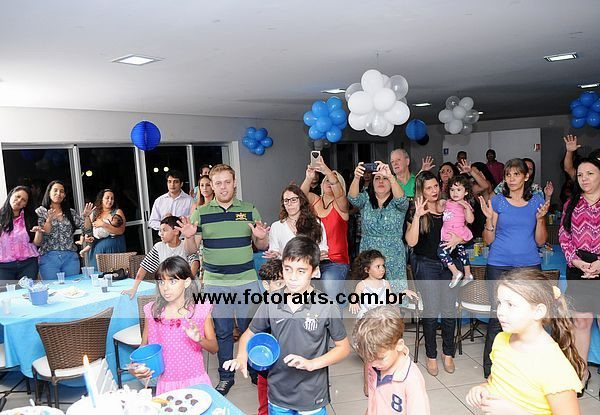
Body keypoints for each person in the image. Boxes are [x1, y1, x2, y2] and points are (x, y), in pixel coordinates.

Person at [223, 236, 350, 415]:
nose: (292, 278)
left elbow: (343, 348)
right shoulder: (271, 301)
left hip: (311, 395)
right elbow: (249, 334)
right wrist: (241, 356)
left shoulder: (327, 306)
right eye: (287, 269)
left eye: (301, 271)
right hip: (278, 393)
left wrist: (313, 364)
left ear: (314, 272)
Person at [178, 163, 269, 395]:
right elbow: (191, 249)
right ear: (211, 185)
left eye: (227, 182)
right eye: (218, 183)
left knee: (252, 328)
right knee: (223, 331)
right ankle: (226, 376)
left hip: (246, 280)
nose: (223, 187)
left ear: (234, 183)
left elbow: (261, 245)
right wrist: (188, 237)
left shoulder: (249, 209)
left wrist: (261, 238)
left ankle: (255, 371)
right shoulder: (201, 213)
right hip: (216, 282)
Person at [466, 269, 583, 415]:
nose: (500, 312)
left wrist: (513, 412)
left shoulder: (554, 365)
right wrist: (484, 388)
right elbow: (496, 380)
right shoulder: (501, 339)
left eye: (510, 305)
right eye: (500, 303)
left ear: (538, 311)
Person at [479, 158, 549, 378]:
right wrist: (489, 220)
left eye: (516, 174)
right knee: (497, 317)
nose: (511, 179)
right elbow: (488, 240)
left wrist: (541, 219)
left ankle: (526, 367)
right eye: (508, 175)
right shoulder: (498, 201)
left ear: (526, 176)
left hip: (528, 265)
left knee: (531, 317)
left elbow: (540, 241)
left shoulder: (537, 201)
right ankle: (491, 370)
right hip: (499, 264)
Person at [128, 256, 217, 394]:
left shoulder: (200, 310)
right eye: (161, 282)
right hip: (167, 385)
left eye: (172, 281)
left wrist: (199, 339)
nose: (165, 288)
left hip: (197, 382)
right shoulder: (153, 312)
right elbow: (143, 349)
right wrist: (134, 368)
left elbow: (214, 348)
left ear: (187, 282)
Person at [405, 172, 460, 376]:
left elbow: (463, 231)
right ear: (421, 190)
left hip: (449, 264)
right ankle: (431, 355)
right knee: (431, 310)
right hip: (426, 264)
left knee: (449, 310)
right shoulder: (416, 210)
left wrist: (458, 240)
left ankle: (448, 353)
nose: (434, 190)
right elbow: (411, 242)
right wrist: (418, 216)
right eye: (428, 188)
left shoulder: (448, 206)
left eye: (436, 186)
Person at [348, 250, 417, 396]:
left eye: (383, 266)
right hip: (367, 324)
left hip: (381, 323)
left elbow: (391, 300)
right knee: (369, 357)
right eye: (378, 266)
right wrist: (353, 302)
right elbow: (354, 297)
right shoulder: (362, 285)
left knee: (383, 353)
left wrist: (404, 292)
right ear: (367, 269)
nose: (382, 269)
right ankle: (367, 384)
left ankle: (385, 381)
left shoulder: (385, 284)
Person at [559, 157, 600, 393]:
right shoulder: (572, 203)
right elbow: (564, 236)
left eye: (590, 173)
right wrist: (575, 261)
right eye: (580, 174)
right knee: (581, 321)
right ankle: (582, 372)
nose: (584, 178)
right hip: (578, 267)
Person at [353, 305, 430, 414]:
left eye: (380, 358)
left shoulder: (412, 380)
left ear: (399, 345)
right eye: (369, 358)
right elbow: (373, 401)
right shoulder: (373, 364)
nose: (373, 364)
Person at [348, 161, 409, 295]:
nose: (381, 181)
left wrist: (391, 176)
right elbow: (353, 199)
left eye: (385, 178)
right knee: (369, 293)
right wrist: (357, 177)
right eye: (377, 178)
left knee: (395, 294)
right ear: (372, 182)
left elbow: (402, 200)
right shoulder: (366, 198)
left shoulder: (397, 202)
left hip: (393, 254)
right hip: (369, 252)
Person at [300, 158, 350, 303]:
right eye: (326, 180)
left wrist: (326, 170)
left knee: (330, 295)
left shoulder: (342, 204)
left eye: (333, 180)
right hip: (313, 259)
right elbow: (299, 197)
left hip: (336, 261)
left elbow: (339, 194)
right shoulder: (315, 200)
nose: (329, 182)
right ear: (321, 184)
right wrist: (308, 178)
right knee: (310, 298)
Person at [122, 216, 200, 298]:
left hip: (189, 289)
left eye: (164, 230)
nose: (161, 234)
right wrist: (134, 288)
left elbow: (195, 263)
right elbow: (144, 267)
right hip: (169, 289)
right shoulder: (159, 247)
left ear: (176, 231)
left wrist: (186, 283)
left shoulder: (186, 245)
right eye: (160, 230)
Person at [35, 180, 93, 280]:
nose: (58, 193)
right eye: (55, 190)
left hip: (70, 257)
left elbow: (86, 229)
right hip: (49, 257)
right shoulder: (40, 211)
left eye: (62, 191)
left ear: (65, 195)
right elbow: (44, 233)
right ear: (49, 193)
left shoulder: (70, 212)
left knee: (73, 286)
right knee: (53, 287)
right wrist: (48, 221)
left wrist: (87, 216)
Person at [264, 185, 328, 260]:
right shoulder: (276, 226)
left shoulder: (315, 222)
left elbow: (323, 248)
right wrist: (275, 254)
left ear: (301, 201)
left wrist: (320, 255)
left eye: (293, 200)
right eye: (286, 200)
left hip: (311, 266)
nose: (289, 204)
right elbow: (274, 250)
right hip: (286, 266)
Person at [255, 259, 284, 415]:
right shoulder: (258, 309)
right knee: (265, 407)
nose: (284, 288)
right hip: (267, 370)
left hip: (291, 367)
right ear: (266, 285)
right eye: (279, 284)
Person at [437, 175, 474, 288]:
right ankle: (468, 274)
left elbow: (470, 220)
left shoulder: (465, 205)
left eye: (458, 190)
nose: (455, 193)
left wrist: (467, 208)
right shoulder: (447, 202)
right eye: (452, 190)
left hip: (458, 232)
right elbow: (439, 210)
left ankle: (456, 272)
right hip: (448, 232)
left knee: (441, 251)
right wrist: (440, 203)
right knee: (462, 253)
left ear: (466, 192)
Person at [0, 186, 43, 280]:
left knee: (27, 289)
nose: (19, 200)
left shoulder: (31, 217)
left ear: (25, 204)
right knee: (6, 289)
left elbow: (37, 243)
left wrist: (38, 232)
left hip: (28, 264)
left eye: (23, 200)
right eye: (18, 196)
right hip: (3, 266)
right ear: (11, 195)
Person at [85, 189, 126, 270]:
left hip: (114, 250)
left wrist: (103, 224)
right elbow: (88, 229)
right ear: (101, 199)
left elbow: (120, 231)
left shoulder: (117, 212)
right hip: (97, 250)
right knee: (98, 275)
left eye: (112, 198)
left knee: (115, 274)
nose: (110, 200)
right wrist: (87, 236)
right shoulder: (95, 213)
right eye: (107, 198)